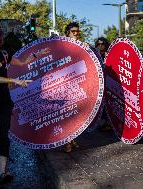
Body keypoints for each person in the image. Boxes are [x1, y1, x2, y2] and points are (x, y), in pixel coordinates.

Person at [0, 28, 44, 185]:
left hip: (3, 101)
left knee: (3, 135)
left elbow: (22, 62)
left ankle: (3, 172)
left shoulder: (3, 54)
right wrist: (14, 81)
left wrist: (38, 54)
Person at [63, 22, 80, 152]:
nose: (76, 33)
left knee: (75, 114)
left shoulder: (80, 45)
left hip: (78, 84)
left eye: (77, 31)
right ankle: (67, 143)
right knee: (67, 115)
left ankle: (72, 139)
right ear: (67, 33)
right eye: (73, 31)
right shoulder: (63, 46)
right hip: (65, 86)